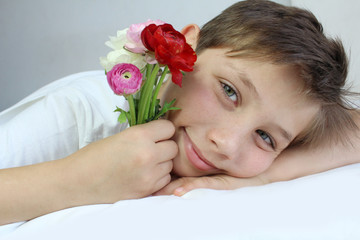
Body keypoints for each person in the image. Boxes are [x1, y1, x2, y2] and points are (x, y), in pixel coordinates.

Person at [0, 0, 359, 225]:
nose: (227, 144)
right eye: (229, 91)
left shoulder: (249, 161)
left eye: (265, 138)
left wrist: (262, 177)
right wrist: (76, 179)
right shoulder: (75, 113)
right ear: (184, 48)